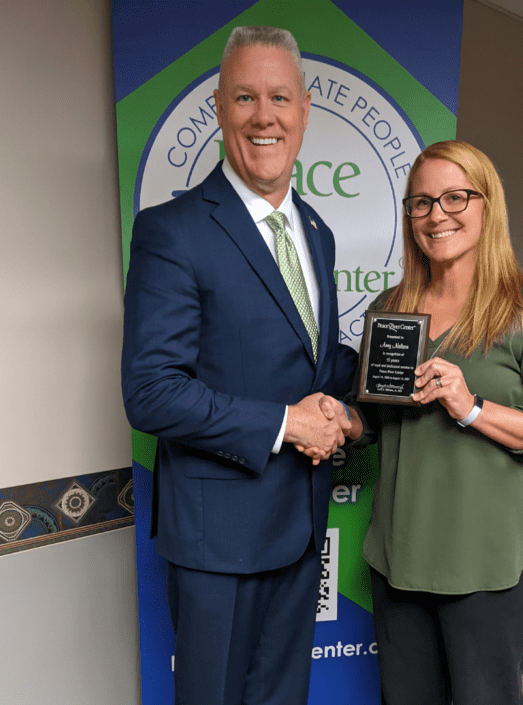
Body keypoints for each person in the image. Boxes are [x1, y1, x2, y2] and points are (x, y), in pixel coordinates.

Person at [121, 25, 356, 705]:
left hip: (299, 527)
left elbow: (316, 362)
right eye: (245, 97)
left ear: (304, 111)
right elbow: (151, 392)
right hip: (217, 542)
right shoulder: (174, 230)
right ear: (221, 107)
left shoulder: (317, 231)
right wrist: (288, 424)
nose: (264, 115)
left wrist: (390, 373)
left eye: (279, 97)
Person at [323, 140, 523, 704]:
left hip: (487, 564)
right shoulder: (389, 309)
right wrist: (343, 419)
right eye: (421, 203)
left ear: (487, 205)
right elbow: (374, 419)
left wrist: (470, 407)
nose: (436, 214)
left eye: (454, 197)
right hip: (399, 558)